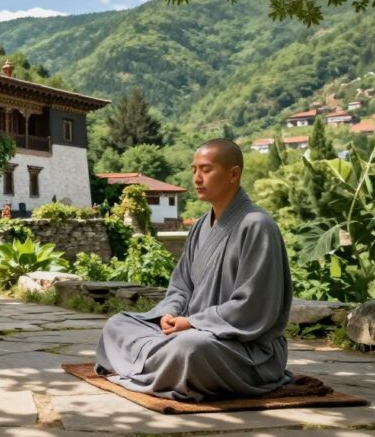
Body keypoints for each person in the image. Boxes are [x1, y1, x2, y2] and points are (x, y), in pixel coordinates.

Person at [94, 138, 292, 401]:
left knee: (191, 348)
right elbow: (181, 286)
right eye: (194, 170)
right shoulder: (200, 226)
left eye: (206, 170)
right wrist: (170, 312)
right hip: (188, 328)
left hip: (242, 347)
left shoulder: (257, 225)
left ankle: (152, 364)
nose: (197, 178)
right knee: (117, 325)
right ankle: (164, 364)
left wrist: (193, 323)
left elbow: (253, 306)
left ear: (234, 174)